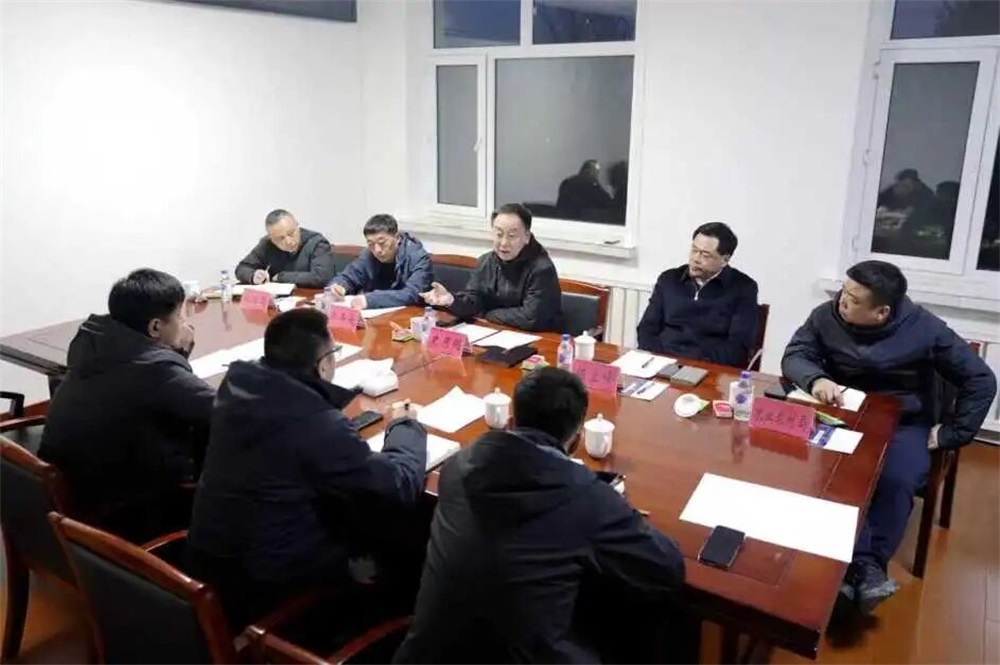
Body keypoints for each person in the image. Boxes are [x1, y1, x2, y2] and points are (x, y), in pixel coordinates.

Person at [394, 368, 686, 664]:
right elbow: (667, 569)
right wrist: (619, 510)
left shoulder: (457, 466)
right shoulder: (586, 498)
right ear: (576, 440)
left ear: (511, 423)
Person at [782, 260, 996, 615]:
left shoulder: (924, 328)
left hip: (903, 422)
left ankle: (866, 567)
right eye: (843, 291)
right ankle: (849, 568)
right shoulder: (826, 316)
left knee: (897, 480)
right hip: (845, 415)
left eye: (853, 299)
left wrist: (952, 433)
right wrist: (816, 379)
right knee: (832, 474)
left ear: (881, 312)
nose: (841, 301)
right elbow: (796, 354)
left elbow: (981, 380)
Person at [188, 308, 428, 623]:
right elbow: (396, 486)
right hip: (269, 583)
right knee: (402, 545)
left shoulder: (236, 388)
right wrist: (405, 426)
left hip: (209, 561)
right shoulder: (315, 422)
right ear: (324, 363)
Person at [39, 269, 214, 537]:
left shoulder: (92, 340)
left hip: (74, 488)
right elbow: (223, 412)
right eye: (179, 316)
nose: (184, 324)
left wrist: (174, 354)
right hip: (121, 509)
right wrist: (179, 352)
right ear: (155, 327)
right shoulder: (156, 370)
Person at [420, 203, 564, 332]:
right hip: (495, 331)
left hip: (541, 340)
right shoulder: (486, 261)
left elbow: (531, 317)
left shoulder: (541, 269)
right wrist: (451, 300)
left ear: (527, 237)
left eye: (512, 236)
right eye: (499, 234)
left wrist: (488, 314)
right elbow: (474, 301)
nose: (504, 243)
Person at [637, 222, 759, 366]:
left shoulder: (743, 287)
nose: (696, 259)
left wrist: (699, 366)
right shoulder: (669, 279)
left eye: (705, 255)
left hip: (708, 367)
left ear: (725, 260)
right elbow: (647, 328)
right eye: (694, 250)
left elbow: (738, 344)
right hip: (661, 361)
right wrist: (659, 359)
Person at [327, 214, 433, 309]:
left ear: (397, 238)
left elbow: (412, 293)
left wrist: (370, 300)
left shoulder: (417, 257)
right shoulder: (368, 254)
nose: (377, 250)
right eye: (371, 244)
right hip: (377, 315)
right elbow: (349, 276)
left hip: (409, 315)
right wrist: (339, 286)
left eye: (382, 243)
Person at [234, 209, 336, 287]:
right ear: (271, 238)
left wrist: (280, 277)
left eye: (291, 233)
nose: (288, 241)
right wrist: (253, 275)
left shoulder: (317, 242)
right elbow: (242, 268)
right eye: (280, 238)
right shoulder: (266, 244)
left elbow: (322, 277)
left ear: (297, 226)